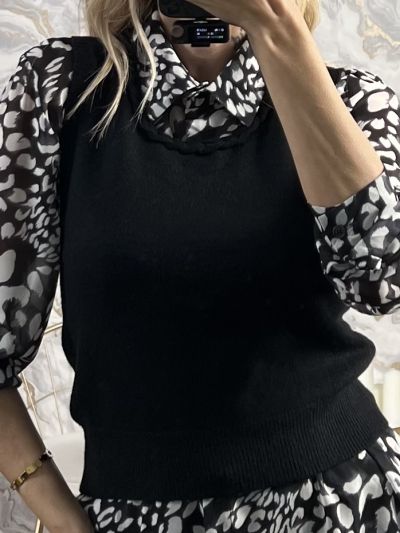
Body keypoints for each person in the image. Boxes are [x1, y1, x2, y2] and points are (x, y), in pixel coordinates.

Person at [1, 0, 400, 531]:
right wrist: (64, 519)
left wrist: (275, 28)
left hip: (343, 502)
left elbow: (380, 282)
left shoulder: (351, 100)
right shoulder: (62, 88)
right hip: (139, 514)